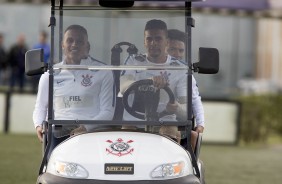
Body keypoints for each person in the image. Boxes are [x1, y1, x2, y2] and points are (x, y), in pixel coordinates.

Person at [120, 20, 204, 150]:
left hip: (165, 121)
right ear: (144, 42)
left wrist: (176, 108)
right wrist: (149, 80)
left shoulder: (179, 69)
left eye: (158, 39)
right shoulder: (133, 61)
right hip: (133, 120)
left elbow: (187, 108)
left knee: (169, 135)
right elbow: (124, 86)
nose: (153, 43)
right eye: (149, 39)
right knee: (121, 147)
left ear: (166, 42)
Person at [33, 25, 115, 143]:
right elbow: (40, 107)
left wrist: (86, 127)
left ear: (87, 46)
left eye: (80, 41)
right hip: (58, 135)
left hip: (92, 133)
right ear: (62, 45)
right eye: (70, 40)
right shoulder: (50, 74)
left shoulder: (103, 72)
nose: (74, 44)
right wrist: (38, 125)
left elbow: (107, 112)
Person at [166, 28, 205, 149]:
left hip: (177, 119)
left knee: (192, 135)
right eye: (172, 49)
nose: (177, 54)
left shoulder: (185, 72)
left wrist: (200, 122)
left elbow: (195, 98)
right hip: (149, 119)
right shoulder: (149, 68)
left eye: (180, 50)